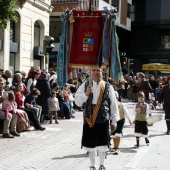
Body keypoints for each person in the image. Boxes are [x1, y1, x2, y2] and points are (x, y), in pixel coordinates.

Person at [75, 67, 119, 170]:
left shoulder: (108, 86)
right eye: (93, 70)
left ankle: (102, 165)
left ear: (102, 72)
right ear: (90, 72)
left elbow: (113, 105)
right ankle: (92, 165)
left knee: (102, 144)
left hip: (103, 118)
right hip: (89, 118)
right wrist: (86, 94)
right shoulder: (85, 84)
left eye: (98, 70)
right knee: (90, 144)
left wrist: (114, 121)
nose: (95, 72)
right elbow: (77, 101)